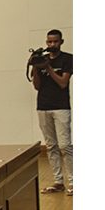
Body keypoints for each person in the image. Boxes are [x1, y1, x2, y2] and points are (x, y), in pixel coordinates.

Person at [30, 29, 73, 195]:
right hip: (43, 106)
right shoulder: (42, 58)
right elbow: (37, 86)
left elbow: (63, 83)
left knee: (65, 145)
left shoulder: (67, 59)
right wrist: (35, 67)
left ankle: (73, 182)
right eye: (49, 42)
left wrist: (48, 68)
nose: (52, 44)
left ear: (61, 42)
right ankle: (58, 181)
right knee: (51, 146)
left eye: (55, 41)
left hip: (61, 106)